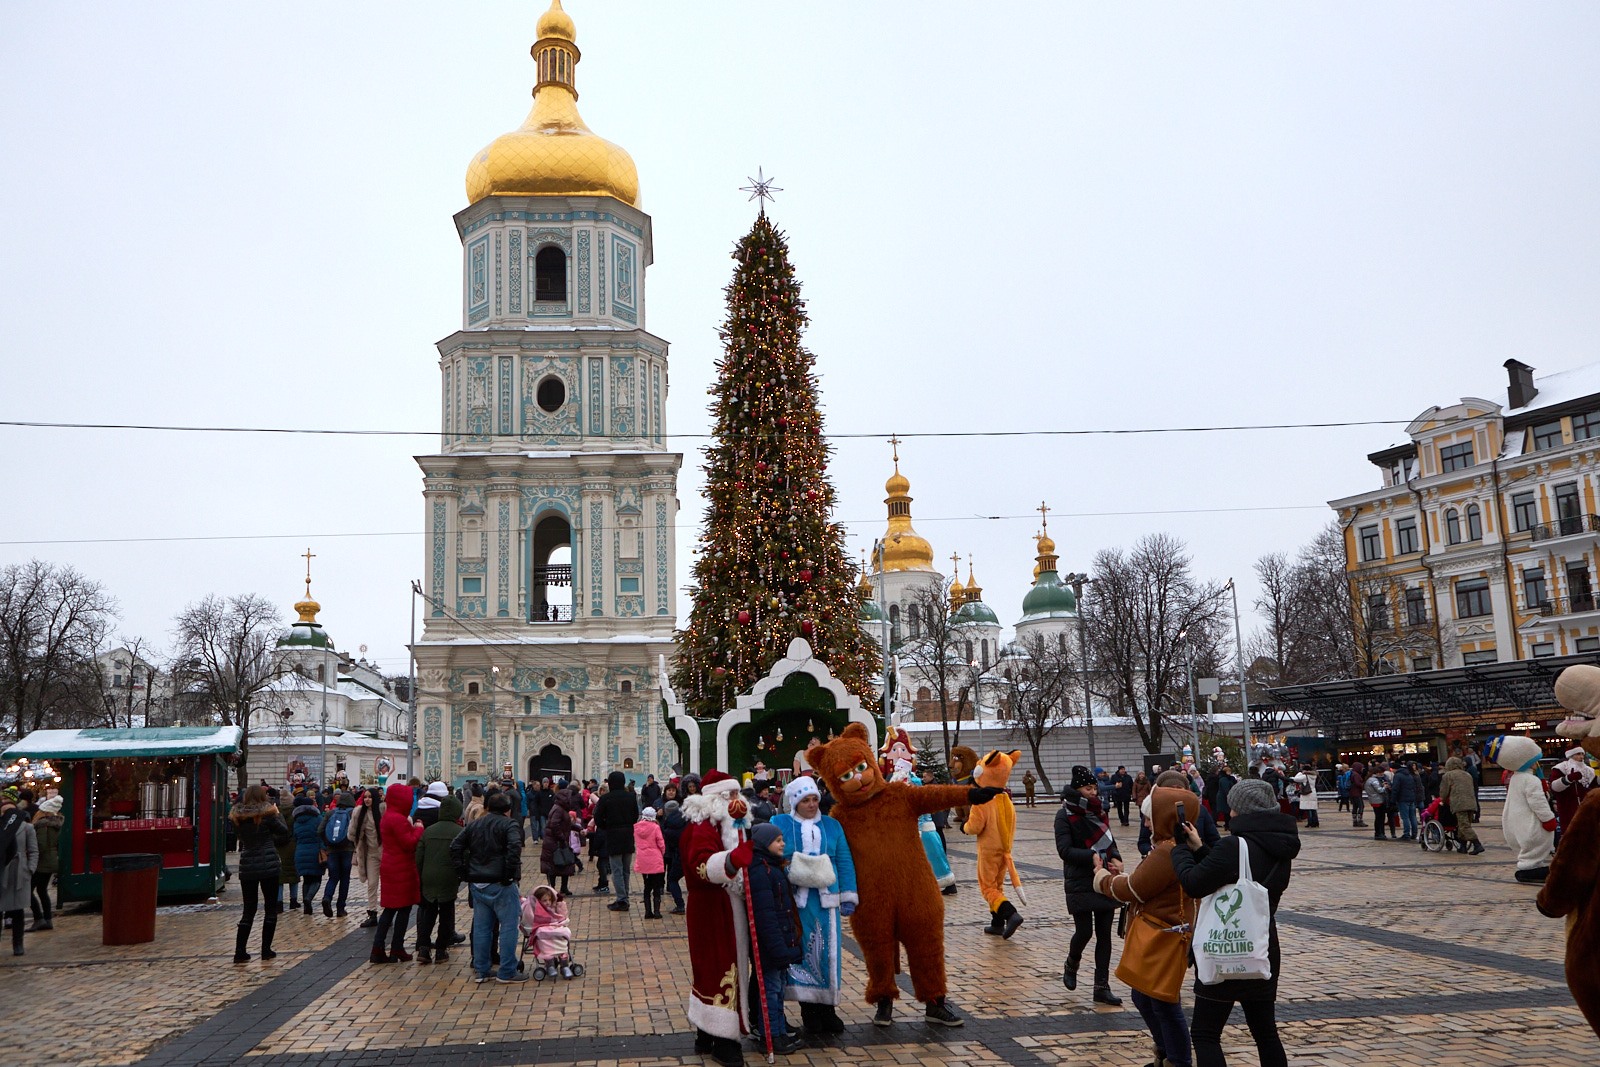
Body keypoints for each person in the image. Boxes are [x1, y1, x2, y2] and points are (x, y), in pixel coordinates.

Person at [1172, 778, 1300, 1067]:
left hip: (1227, 949)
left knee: (1205, 1034)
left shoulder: (1233, 846)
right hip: (1261, 947)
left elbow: (1194, 883)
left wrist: (1180, 849)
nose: (1228, 813)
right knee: (1265, 1033)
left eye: (1232, 808)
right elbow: (1236, 876)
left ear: (1242, 811)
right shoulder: (1281, 846)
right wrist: (1200, 847)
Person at [1093, 786, 1195, 1067]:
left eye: (1150, 818)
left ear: (1165, 818)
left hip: (1163, 934)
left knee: (1161, 1000)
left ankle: (1177, 1060)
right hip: (1165, 929)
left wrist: (1102, 878)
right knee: (1146, 996)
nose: (1147, 824)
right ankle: (1167, 1053)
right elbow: (1145, 884)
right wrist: (1123, 876)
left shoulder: (1167, 851)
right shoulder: (1172, 848)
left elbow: (1134, 889)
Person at [769, 774, 857, 1036]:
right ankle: (808, 1009)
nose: (811, 804)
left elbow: (844, 859)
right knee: (801, 953)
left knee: (828, 954)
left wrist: (848, 894)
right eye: (805, 800)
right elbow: (772, 856)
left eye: (814, 799)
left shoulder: (832, 826)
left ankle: (827, 1008)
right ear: (795, 802)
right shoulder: (780, 823)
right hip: (794, 902)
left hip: (826, 901)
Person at [681, 769, 755, 1067]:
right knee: (719, 967)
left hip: (730, 905)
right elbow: (699, 865)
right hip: (712, 908)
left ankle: (706, 1033)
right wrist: (731, 861)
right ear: (715, 799)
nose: (737, 800)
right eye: (730, 795)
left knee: (717, 966)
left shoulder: (734, 824)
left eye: (738, 794)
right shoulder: (702, 826)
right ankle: (725, 1041)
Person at [1055, 765, 1123, 1005]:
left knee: (1104, 934)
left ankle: (1101, 987)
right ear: (1077, 790)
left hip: (1103, 878)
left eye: (1094, 787)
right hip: (1080, 880)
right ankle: (1071, 963)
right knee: (1084, 931)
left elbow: (1109, 841)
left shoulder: (1099, 810)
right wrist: (1091, 856)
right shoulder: (1065, 814)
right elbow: (1064, 851)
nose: (1093, 792)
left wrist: (1116, 858)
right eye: (1088, 788)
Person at [739, 821, 804, 1055]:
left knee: (778, 991)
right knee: (771, 992)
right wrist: (778, 947)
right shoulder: (761, 871)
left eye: (782, 839)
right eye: (777, 841)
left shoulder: (773, 867)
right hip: (771, 946)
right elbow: (765, 916)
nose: (782, 844)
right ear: (764, 844)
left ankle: (779, 1032)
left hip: (781, 943)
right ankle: (771, 1036)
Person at [451, 789, 527, 983]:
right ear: (508, 810)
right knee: (508, 927)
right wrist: (509, 874)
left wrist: (463, 872)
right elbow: (514, 848)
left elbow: (456, 846)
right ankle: (507, 971)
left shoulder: (475, 824)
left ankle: (482, 970)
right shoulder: (509, 824)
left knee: (482, 928)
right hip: (501, 883)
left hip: (478, 882)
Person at [229, 785, 289, 963]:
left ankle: (240, 951)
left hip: (247, 865)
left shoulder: (238, 816)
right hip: (269, 864)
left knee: (249, 909)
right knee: (270, 908)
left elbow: (239, 837)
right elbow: (284, 831)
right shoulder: (268, 815)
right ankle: (266, 950)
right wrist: (277, 813)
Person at [371, 781, 423, 964]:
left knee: (391, 909)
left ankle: (379, 948)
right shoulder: (398, 819)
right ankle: (396, 947)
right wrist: (418, 830)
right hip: (401, 868)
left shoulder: (388, 816)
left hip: (391, 866)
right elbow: (409, 843)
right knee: (403, 909)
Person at [414, 794, 464, 964]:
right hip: (448, 877)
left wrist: (420, 875)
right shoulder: (459, 832)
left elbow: (419, 857)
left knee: (428, 913)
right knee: (446, 915)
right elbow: (464, 855)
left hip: (428, 877)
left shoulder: (429, 831)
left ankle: (424, 948)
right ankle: (441, 950)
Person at [0, 790, 39, 957]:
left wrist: (29, 869)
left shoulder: (27, 828)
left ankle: (18, 944)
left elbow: (34, 850)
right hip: (2, 871)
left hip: (19, 872)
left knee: (17, 910)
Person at [595, 770, 639, 911]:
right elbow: (635, 815)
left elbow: (598, 818)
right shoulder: (630, 797)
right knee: (626, 869)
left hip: (613, 835)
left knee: (616, 869)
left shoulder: (606, 798)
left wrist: (606, 826)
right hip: (628, 835)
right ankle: (624, 896)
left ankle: (622, 899)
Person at [318, 791, 357, 917]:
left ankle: (327, 897)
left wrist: (327, 843)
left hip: (332, 850)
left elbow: (320, 830)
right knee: (345, 879)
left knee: (333, 877)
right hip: (347, 850)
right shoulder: (352, 813)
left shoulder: (330, 813)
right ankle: (341, 908)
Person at [29, 794, 63, 931]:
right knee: (42, 890)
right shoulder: (54, 824)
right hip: (50, 861)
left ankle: (39, 918)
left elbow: (40, 845)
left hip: (42, 863)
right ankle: (47, 919)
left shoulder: (43, 825)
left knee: (28, 891)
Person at [1439, 756, 1483, 855]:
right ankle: (1463, 846)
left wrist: (1442, 800)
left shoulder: (1448, 775)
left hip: (1459, 803)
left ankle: (1477, 844)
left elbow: (1444, 791)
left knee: (1464, 826)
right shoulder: (1467, 774)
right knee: (1463, 825)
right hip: (1471, 803)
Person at [353, 786, 383, 928]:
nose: (367, 799)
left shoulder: (383, 810)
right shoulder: (359, 813)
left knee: (387, 884)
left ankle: (388, 912)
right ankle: (372, 913)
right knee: (372, 884)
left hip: (385, 852)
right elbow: (353, 834)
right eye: (365, 797)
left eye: (370, 797)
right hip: (371, 853)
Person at [290, 794, 325, 915]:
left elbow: (295, 837)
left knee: (306, 880)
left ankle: (306, 908)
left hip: (300, 852)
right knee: (317, 879)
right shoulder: (317, 818)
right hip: (315, 852)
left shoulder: (296, 821)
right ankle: (308, 898)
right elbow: (322, 834)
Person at [541, 786, 578, 896]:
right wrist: (561, 837)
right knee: (554, 864)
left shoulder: (562, 809)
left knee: (564, 863)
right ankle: (552, 888)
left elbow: (566, 824)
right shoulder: (558, 809)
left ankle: (563, 887)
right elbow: (554, 825)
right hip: (554, 842)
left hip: (558, 841)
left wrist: (578, 828)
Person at [635, 806, 668, 919]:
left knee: (647, 886)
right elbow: (661, 843)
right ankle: (657, 911)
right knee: (656, 886)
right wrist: (662, 852)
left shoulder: (637, 827)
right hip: (655, 858)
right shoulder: (655, 827)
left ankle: (647, 911)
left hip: (643, 859)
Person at [661, 797, 688, 913]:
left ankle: (680, 905)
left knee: (672, 880)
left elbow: (670, 846)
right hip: (692, 854)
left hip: (679, 855)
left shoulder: (668, 828)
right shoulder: (687, 820)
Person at [1391, 762, 1423, 841]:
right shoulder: (1409, 775)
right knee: (1413, 817)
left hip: (1402, 799)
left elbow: (1395, 788)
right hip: (1411, 798)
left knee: (1405, 817)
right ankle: (1414, 833)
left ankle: (1406, 834)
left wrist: (1393, 800)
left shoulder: (1398, 776)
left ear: (1395, 769)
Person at [1364, 762, 1392, 840]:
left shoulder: (1369, 779)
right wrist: (1384, 787)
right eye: (1381, 773)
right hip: (1378, 800)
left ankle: (1379, 833)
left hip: (1374, 800)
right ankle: (1380, 833)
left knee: (1379, 817)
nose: (1382, 774)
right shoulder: (1374, 780)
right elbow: (1380, 790)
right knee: (1380, 817)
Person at [1290, 764, 1319, 830]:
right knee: (1313, 809)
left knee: (1308, 809)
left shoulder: (1304, 776)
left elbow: (1296, 779)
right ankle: (1315, 822)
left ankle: (1310, 822)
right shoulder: (1314, 775)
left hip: (1307, 793)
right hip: (1313, 792)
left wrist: (1300, 773)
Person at [1346, 762, 1367, 828]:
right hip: (1357, 793)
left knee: (1355, 807)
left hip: (1352, 793)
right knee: (1361, 806)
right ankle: (1360, 821)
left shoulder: (1352, 773)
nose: (1362, 769)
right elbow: (1357, 783)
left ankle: (1355, 821)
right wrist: (1363, 785)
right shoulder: (1356, 774)